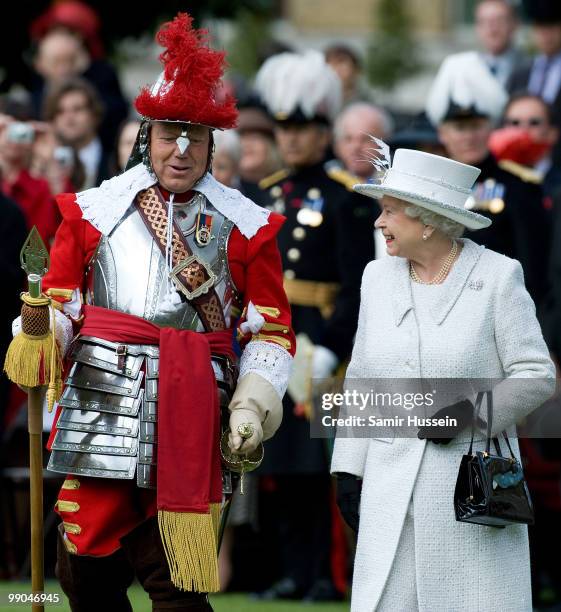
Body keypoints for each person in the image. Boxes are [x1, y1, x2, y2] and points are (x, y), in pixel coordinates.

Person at [21, 13, 295, 611]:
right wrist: (38, 331)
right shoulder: (92, 211)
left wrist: (252, 400)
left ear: (213, 144)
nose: (182, 148)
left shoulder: (249, 226)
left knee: (176, 578)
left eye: (196, 137)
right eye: (171, 133)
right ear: (148, 134)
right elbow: (64, 300)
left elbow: (271, 330)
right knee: (85, 567)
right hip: (101, 397)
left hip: (196, 402)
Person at [332, 145, 555, 611]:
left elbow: (536, 375)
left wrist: (466, 415)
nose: (379, 222)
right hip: (388, 488)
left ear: (428, 220)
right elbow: (362, 379)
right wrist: (348, 468)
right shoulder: (376, 277)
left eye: (390, 212)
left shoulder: (497, 276)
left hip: (470, 493)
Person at [253, 50, 375, 601]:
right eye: (285, 127)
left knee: (322, 465)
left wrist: (328, 348)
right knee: (279, 460)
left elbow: (358, 285)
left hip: (325, 340)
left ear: (324, 130)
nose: (293, 138)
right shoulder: (266, 195)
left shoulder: (345, 197)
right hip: (276, 337)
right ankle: (294, 570)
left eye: (303, 128)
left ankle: (330, 575)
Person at [426, 51, 550, 307]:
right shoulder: (429, 185)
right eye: (460, 128)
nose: (468, 136)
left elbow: (534, 266)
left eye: (476, 126)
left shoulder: (518, 185)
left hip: (502, 309)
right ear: (442, 133)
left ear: (491, 128)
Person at [508, 0, 561, 164]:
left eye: (552, 27)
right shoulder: (520, 72)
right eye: (540, 27)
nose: (546, 34)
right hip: (521, 158)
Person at [0, 113, 60, 245]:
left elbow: (43, 239)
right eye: (7, 129)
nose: (13, 139)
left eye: (22, 133)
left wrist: (49, 154)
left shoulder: (40, 187)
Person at [44, 77, 109, 188]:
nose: (69, 118)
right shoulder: (42, 165)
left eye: (77, 109)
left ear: (94, 114)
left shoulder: (114, 159)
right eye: (60, 111)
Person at [495, 92, 561, 198]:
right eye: (515, 123)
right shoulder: (490, 179)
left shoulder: (557, 186)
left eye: (534, 123)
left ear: (552, 133)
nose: (523, 131)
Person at [475, 0, 523, 87]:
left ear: (515, 24)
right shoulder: (468, 69)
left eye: (499, 20)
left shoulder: (531, 69)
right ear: (477, 28)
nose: (493, 29)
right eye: (485, 21)